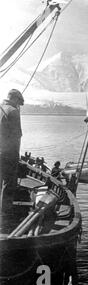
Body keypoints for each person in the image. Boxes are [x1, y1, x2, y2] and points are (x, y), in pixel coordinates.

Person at [0, 89, 24, 231]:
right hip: (8, 154)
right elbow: (17, 136)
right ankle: (5, 218)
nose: (19, 105)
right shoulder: (13, 112)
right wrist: (17, 156)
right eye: (19, 102)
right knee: (9, 184)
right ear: (15, 99)